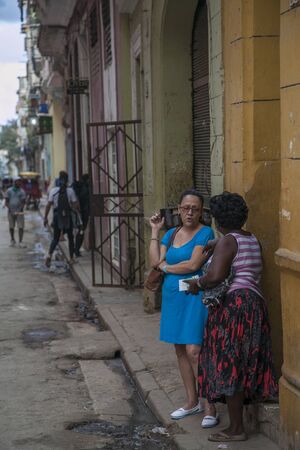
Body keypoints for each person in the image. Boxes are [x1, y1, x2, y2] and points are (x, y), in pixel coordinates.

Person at [186, 192, 278, 443]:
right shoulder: (250, 238)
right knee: (245, 361)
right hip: (254, 304)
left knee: (230, 365)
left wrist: (197, 283)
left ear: (216, 220)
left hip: (235, 307)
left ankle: (236, 428)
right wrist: (218, 244)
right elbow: (234, 249)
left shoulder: (227, 242)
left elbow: (215, 276)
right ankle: (238, 423)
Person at [149, 189, 218, 426]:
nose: (190, 212)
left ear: (201, 212)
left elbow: (193, 265)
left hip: (193, 295)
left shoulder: (206, 232)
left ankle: (210, 406)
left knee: (195, 351)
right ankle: (192, 402)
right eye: (186, 208)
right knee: (180, 350)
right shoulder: (170, 233)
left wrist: (166, 268)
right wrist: (155, 232)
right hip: (172, 297)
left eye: (195, 209)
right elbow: (154, 261)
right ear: (179, 209)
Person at [43, 171, 79, 267]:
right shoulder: (70, 191)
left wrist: (45, 218)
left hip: (56, 216)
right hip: (67, 216)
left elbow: (48, 205)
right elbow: (75, 205)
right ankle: (71, 258)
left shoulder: (53, 191)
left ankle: (49, 255)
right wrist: (76, 209)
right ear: (67, 180)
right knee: (71, 237)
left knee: (55, 238)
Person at [5, 178, 26, 248]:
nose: (19, 183)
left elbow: (23, 202)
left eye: (20, 181)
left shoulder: (22, 191)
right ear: (14, 182)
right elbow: (6, 202)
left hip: (19, 212)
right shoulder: (9, 190)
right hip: (10, 212)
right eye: (18, 181)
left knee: (21, 227)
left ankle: (20, 241)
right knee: (11, 226)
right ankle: (12, 240)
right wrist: (11, 210)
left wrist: (19, 210)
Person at [72, 173, 90, 257]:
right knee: (81, 231)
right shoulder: (85, 188)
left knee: (80, 231)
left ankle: (76, 249)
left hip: (78, 213)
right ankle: (76, 250)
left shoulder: (78, 187)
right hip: (83, 213)